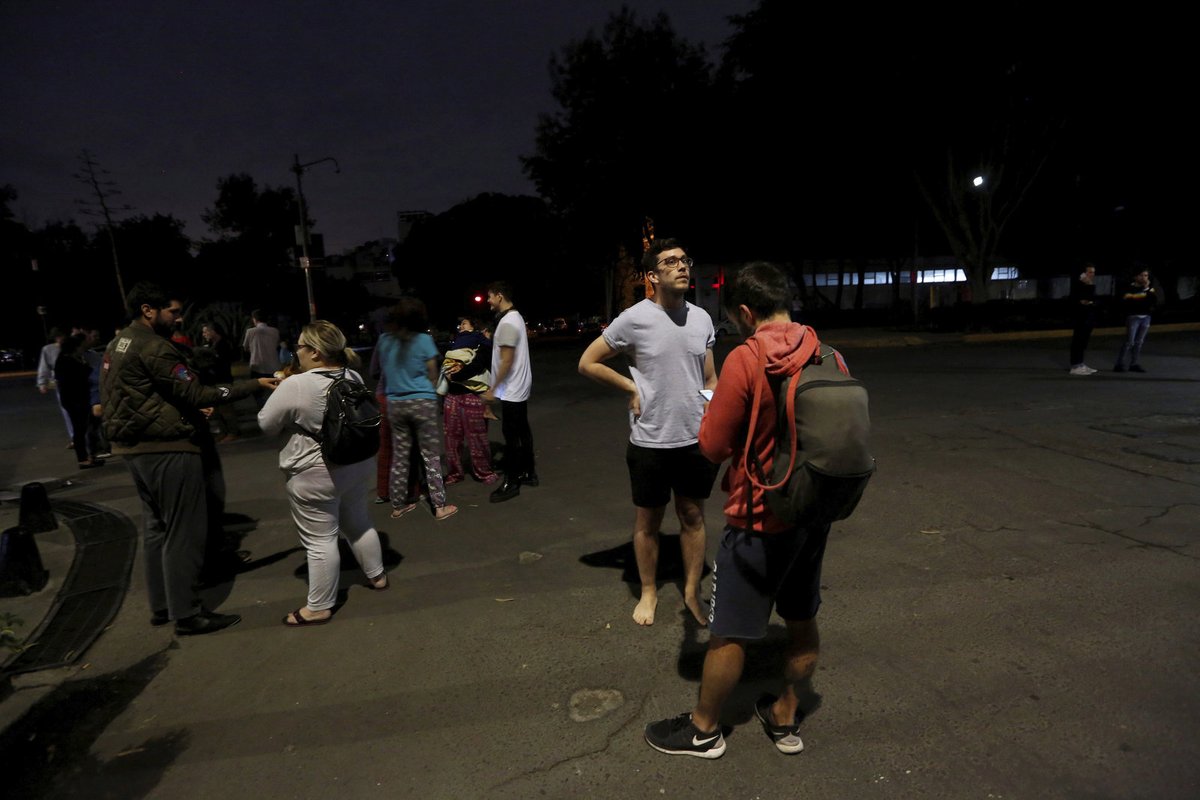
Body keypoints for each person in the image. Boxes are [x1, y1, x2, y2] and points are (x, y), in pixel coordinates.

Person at [644, 261, 834, 759]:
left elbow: (711, 445)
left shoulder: (746, 360)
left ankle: (705, 730)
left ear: (746, 312)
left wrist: (715, 409)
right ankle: (785, 713)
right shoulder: (828, 355)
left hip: (758, 517)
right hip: (811, 513)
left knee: (729, 629)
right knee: (800, 617)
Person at [102, 282, 275, 636]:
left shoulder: (118, 343)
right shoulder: (154, 346)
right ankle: (187, 612)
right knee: (184, 531)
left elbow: (139, 394)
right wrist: (255, 385)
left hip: (135, 448)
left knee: (156, 528)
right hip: (167, 448)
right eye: (173, 312)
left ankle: (163, 605)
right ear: (148, 310)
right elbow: (197, 392)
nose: (179, 319)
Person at [578, 238, 718, 627]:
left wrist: (711, 405)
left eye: (685, 260)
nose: (682, 266)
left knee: (692, 515)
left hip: (694, 438)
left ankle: (691, 590)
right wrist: (630, 387)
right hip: (650, 441)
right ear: (652, 276)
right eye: (670, 262)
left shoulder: (702, 319)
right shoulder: (633, 319)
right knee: (648, 523)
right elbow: (587, 362)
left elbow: (709, 377)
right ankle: (650, 590)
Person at [257, 320, 388, 625]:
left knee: (320, 540)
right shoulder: (352, 374)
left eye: (299, 346)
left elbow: (266, 423)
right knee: (358, 522)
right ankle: (377, 575)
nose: (295, 351)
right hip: (356, 464)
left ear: (315, 352)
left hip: (313, 471)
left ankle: (319, 607)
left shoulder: (296, 385)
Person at [377, 297, 458, 521]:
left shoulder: (384, 340)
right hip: (422, 401)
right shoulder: (424, 340)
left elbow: (383, 370)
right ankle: (440, 506)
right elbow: (433, 373)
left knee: (401, 456)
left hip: (395, 403)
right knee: (430, 455)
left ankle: (398, 505)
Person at [483, 281, 536, 502]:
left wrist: (492, 389)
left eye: (490, 296)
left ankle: (511, 482)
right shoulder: (516, 318)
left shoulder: (507, 322)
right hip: (519, 386)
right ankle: (528, 472)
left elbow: (506, 360)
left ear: (500, 296)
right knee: (522, 431)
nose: (488, 301)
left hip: (511, 389)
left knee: (511, 436)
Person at [441, 317, 498, 485]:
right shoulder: (457, 343)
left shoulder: (482, 344)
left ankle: (483, 471)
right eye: (460, 324)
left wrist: (455, 375)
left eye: (465, 323)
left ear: (475, 328)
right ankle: (454, 473)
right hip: (452, 396)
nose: (461, 327)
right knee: (452, 438)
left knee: (477, 437)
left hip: (473, 395)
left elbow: (477, 365)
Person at [55, 333, 103, 469]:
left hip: (78, 399)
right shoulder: (65, 361)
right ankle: (82, 459)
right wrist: (84, 367)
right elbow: (78, 377)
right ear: (74, 348)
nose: (83, 349)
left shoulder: (71, 359)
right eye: (80, 347)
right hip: (74, 401)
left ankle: (89, 456)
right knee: (79, 429)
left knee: (85, 428)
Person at [195, 322, 240, 441]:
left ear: (213, 331)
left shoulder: (223, 345)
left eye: (206, 331)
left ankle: (232, 432)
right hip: (212, 381)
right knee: (217, 409)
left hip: (223, 380)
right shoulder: (209, 345)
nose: (204, 334)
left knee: (226, 408)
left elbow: (222, 362)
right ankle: (222, 431)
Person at [1113, 268, 1157, 373]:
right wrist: (1143, 297)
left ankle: (1134, 363)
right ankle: (1119, 364)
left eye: (1146, 275)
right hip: (1133, 317)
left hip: (1146, 317)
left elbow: (1153, 301)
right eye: (1141, 275)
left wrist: (1146, 290)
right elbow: (1131, 301)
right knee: (1129, 342)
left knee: (1139, 342)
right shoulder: (1129, 288)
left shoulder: (1149, 288)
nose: (1144, 278)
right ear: (1135, 277)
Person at [36, 327, 75, 446]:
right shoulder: (48, 349)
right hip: (60, 382)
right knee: (66, 410)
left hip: (75, 379)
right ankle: (74, 437)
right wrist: (42, 382)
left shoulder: (72, 346)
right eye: (58, 337)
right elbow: (44, 367)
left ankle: (82, 437)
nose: (60, 339)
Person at [1068, 263, 1099, 375]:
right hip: (1080, 317)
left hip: (1088, 317)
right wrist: (1089, 285)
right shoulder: (1079, 285)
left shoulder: (1089, 284)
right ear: (1083, 273)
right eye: (1090, 272)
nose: (1092, 274)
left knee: (1083, 342)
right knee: (1078, 341)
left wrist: (1090, 301)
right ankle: (1075, 366)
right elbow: (1084, 300)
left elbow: (1093, 300)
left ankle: (1080, 363)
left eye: (1093, 272)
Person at [242, 309, 282, 379]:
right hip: (274, 366)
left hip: (257, 367)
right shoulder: (275, 331)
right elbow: (276, 345)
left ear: (254, 319)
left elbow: (245, 347)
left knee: (258, 388)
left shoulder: (250, 331)